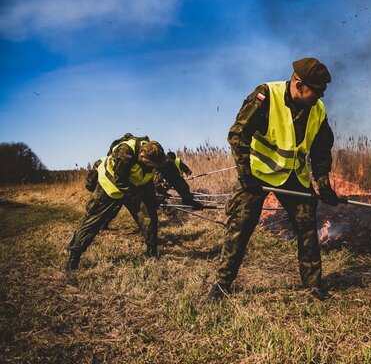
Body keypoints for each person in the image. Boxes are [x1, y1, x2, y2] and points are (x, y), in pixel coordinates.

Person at [207, 57, 339, 302]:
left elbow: (321, 150)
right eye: (317, 91)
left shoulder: (317, 110)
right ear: (299, 84)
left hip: (293, 176)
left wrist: (323, 184)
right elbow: (237, 135)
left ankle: (313, 287)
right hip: (257, 174)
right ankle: (221, 286)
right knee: (240, 228)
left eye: (323, 92)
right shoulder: (266, 95)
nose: (320, 97)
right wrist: (246, 175)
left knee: (307, 229)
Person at [66, 135, 203, 270]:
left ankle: (152, 253)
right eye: (153, 165)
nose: (156, 168)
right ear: (143, 157)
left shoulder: (159, 157)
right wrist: (142, 196)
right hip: (110, 185)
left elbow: (174, 177)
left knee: (149, 217)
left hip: (138, 184)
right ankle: (74, 255)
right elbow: (121, 181)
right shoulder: (125, 152)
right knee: (94, 220)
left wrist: (188, 198)